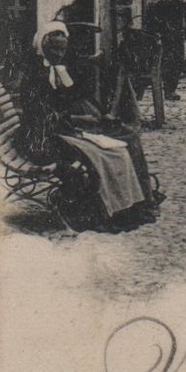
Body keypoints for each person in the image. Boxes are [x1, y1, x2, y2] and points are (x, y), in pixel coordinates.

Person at [20, 21, 160, 229]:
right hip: (45, 138)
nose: (59, 54)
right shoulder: (35, 76)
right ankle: (115, 209)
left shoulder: (60, 70)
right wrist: (75, 121)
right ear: (43, 47)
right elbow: (40, 115)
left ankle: (130, 205)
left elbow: (71, 98)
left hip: (63, 129)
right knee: (108, 155)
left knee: (117, 149)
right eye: (54, 50)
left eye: (62, 49)